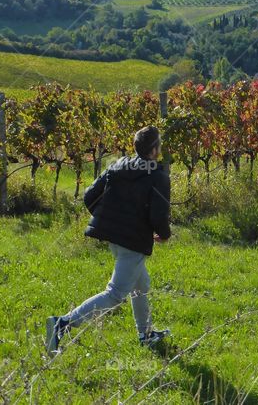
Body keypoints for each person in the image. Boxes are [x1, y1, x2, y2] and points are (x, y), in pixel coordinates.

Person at [46, 126, 172, 356]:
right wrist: (164, 234)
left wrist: (108, 221)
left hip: (114, 238)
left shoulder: (118, 165)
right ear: (154, 151)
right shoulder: (158, 176)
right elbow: (158, 215)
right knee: (114, 295)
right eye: (159, 145)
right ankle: (61, 324)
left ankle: (145, 334)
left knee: (141, 284)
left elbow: (90, 196)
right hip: (133, 242)